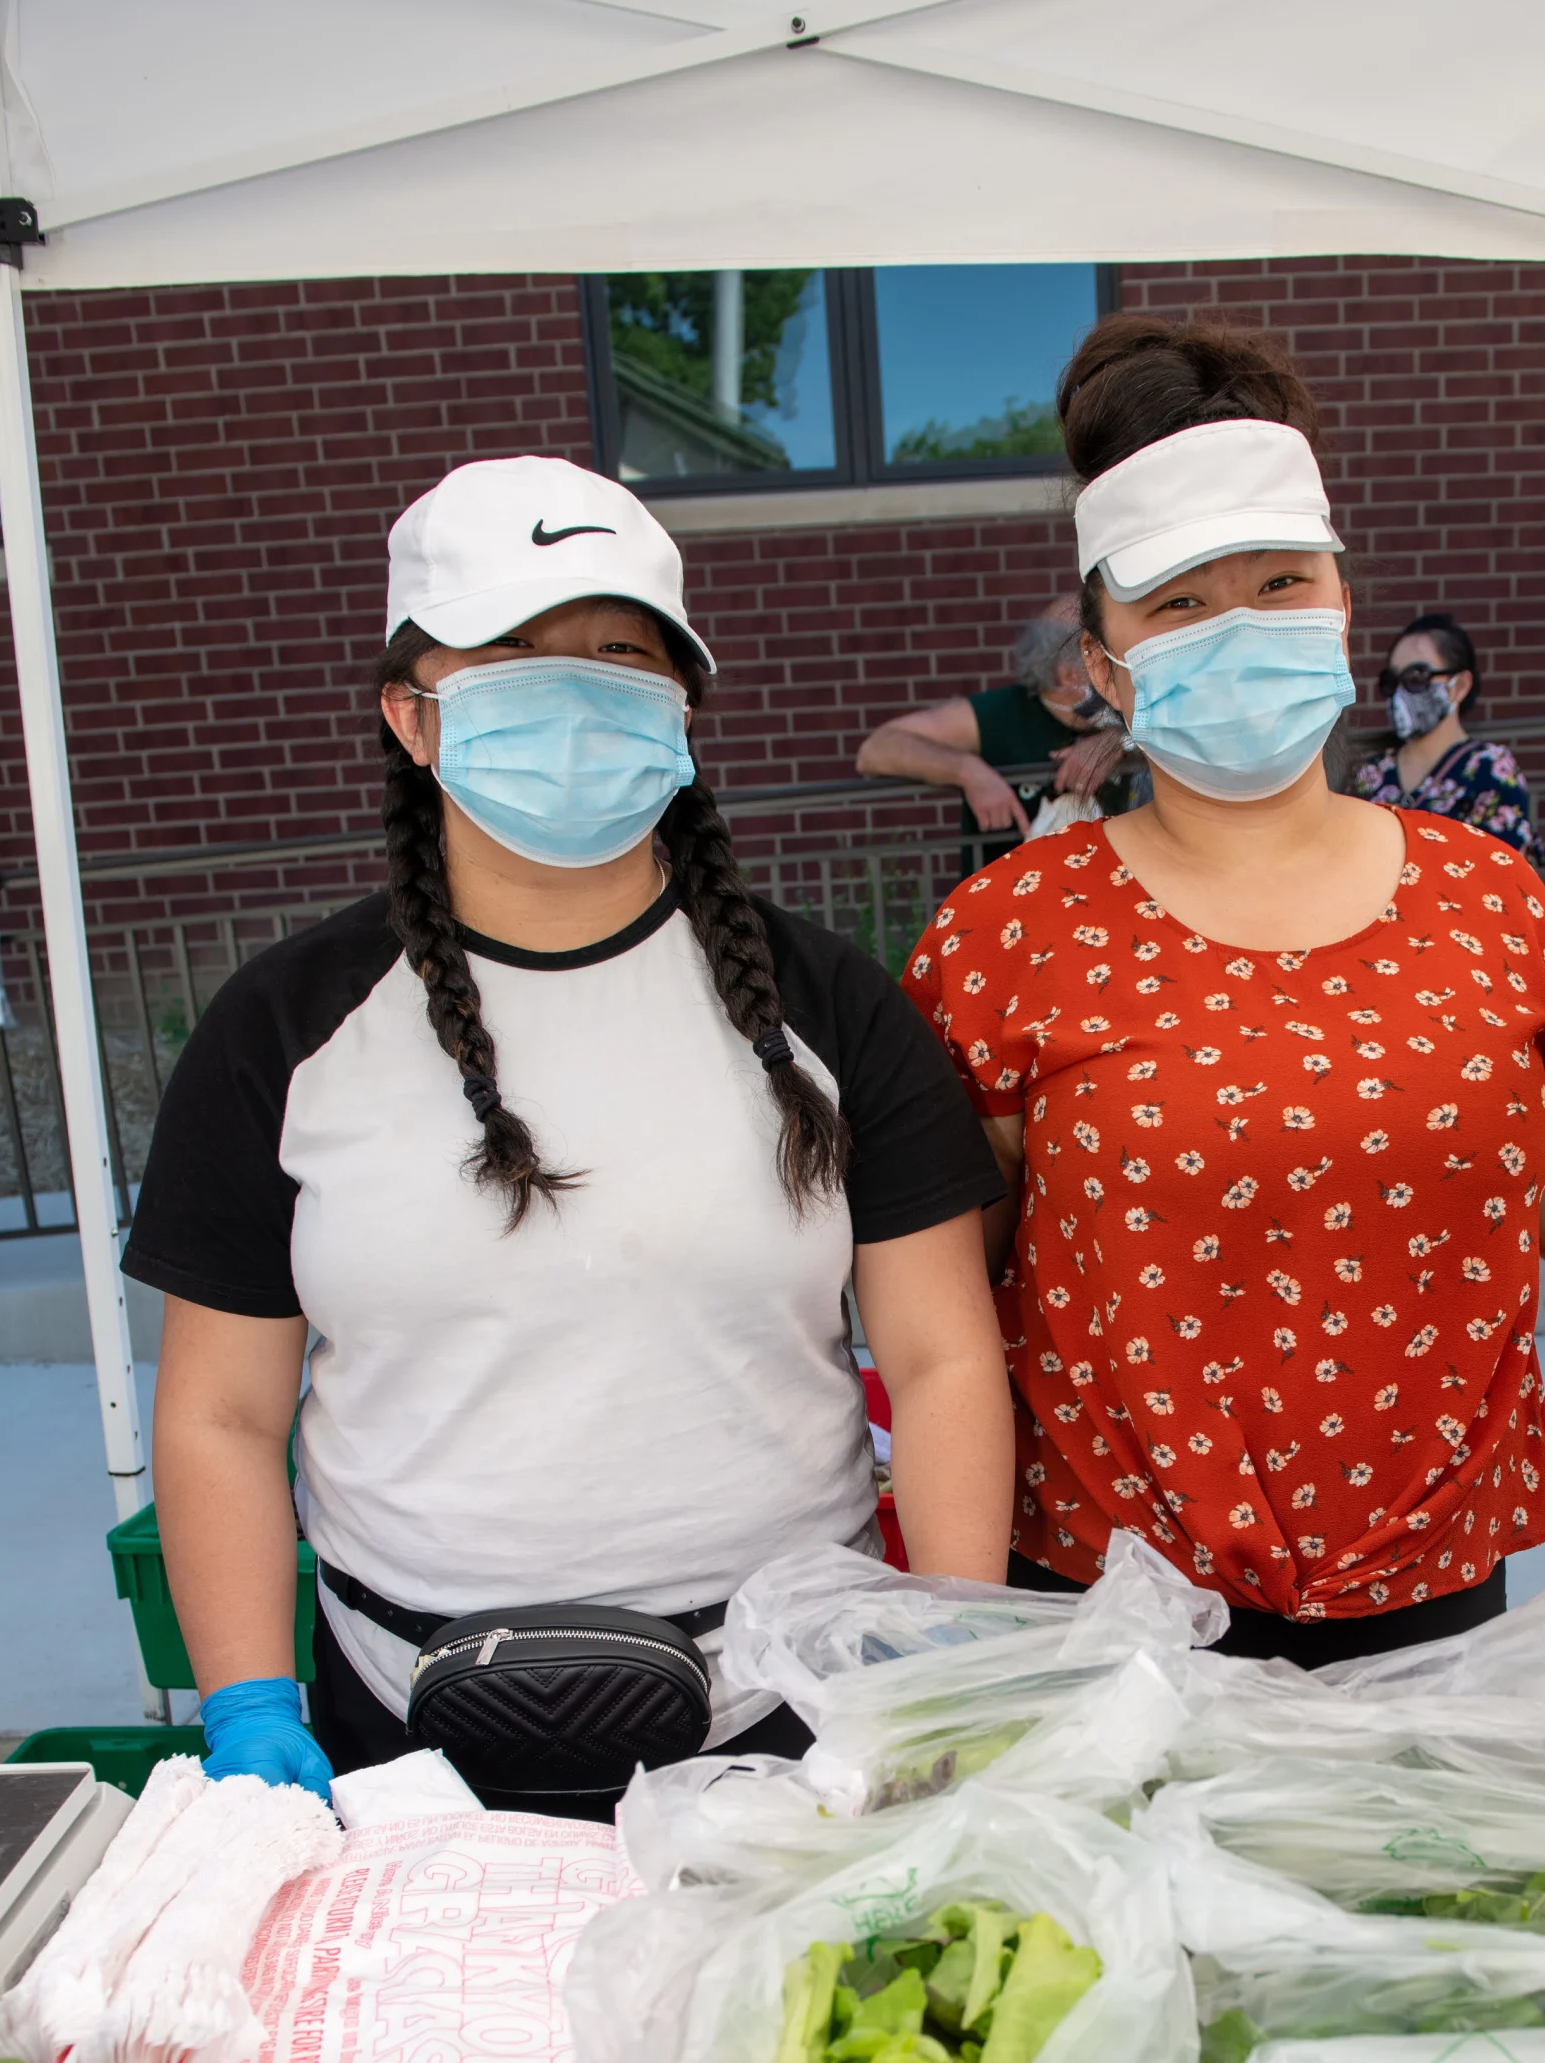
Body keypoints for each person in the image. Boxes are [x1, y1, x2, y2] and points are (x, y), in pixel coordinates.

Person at [907, 315, 1545, 1666]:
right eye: (1180, 603)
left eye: (1280, 585)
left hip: (1434, 1608)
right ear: (1106, 659)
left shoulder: (1489, 894)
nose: (1236, 629)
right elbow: (950, 1307)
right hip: (1109, 1620)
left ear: (1344, 606)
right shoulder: (1006, 934)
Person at [123, 454, 1012, 1810]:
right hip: (403, 1735)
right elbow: (222, 1414)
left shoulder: (826, 1002)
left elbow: (943, 1357)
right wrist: (248, 1696)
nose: (576, 688)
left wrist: (949, 1654)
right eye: (516, 653)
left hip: (783, 1718)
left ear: (684, 709)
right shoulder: (283, 1030)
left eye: (617, 653)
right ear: (412, 719)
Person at [856, 602, 1135, 851]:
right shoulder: (1003, 712)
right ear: (1067, 675)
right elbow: (876, 750)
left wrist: (1115, 742)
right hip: (1010, 896)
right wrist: (967, 771)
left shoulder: (1122, 711)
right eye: (1100, 658)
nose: (1118, 670)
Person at [1351, 613, 1545, 862]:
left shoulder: (1490, 769)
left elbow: (1504, 875)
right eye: (1391, 682)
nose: (1400, 693)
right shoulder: (1368, 774)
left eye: (1416, 677)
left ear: (1459, 686)